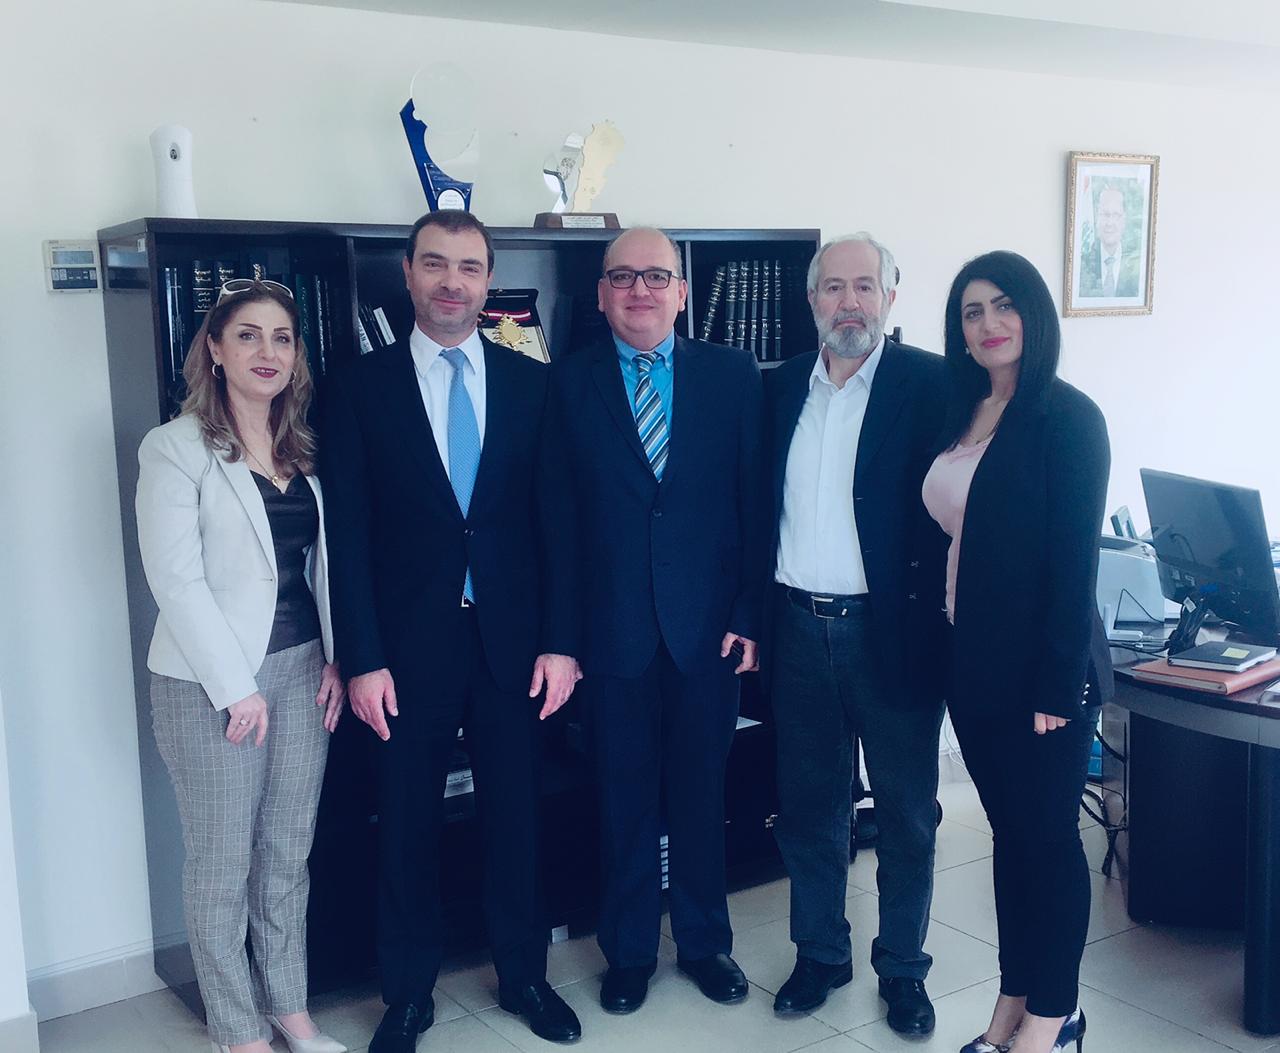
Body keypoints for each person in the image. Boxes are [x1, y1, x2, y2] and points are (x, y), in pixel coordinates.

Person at [321, 211, 582, 1052]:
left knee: (517, 818)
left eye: (468, 267)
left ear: (487, 281)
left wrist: (561, 641)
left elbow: (557, 524)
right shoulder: (358, 388)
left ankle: (525, 976)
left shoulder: (533, 383)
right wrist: (362, 657)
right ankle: (406, 995)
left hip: (514, 647)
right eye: (435, 264)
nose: (451, 282)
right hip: (404, 654)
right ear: (407, 273)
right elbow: (348, 535)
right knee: (405, 826)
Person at [539, 226, 769, 1014]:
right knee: (623, 800)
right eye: (624, 276)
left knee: (703, 795)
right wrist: (563, 638)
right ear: (602, 293)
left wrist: (749, 612)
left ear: (681, 291)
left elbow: (753, 504)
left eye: (656, 276)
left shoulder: (733, 376)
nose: (640, 289)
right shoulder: (566, 384)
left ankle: (705, 943)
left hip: (709, 632)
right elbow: (559, 521)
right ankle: (631, 951)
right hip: (612, 636)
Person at [135, 280, 347, 1053]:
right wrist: (236, 689)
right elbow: (176, 579)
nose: (268, 351)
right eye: (249, 335)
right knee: (222, 863)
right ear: (215, 351)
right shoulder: (174, 446)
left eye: (282, 337)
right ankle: (236, 1028)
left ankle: (289, 1008)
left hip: (303, 670)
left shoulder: (303, 447)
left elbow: (320, 569)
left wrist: (337, 657)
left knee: (288, 853)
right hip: (210, 685)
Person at [922, 251, 1113, 1053]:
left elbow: (1074, 565)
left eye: (1004, 305)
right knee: (1013, 840)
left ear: (1033, 314)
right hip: (974, 666)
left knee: (1049, 842)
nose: (990, 323)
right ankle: (1014, 1000)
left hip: (1044, 678)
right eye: (972, 312)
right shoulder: (964, 411)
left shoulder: (1068, 419)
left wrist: (1056, 687)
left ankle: (1055, 1016)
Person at [764, 234, 948, 1034]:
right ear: (812, 300)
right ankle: (820, 953)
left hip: (892, 633)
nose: (849, 302)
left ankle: (902, 967)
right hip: (797, 628)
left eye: (865, 286)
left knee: (906, 812)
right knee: (810, 807)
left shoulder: (931, 385)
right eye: (833, 287)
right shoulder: (778, 389)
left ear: (889, 298)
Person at [1078, 187, 1140, 298]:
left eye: (1116, 215)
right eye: (1105, 214)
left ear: (1124, 220)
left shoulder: (1137, 266)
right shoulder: (1083, 264)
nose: (1109, 223)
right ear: (1097, 217)